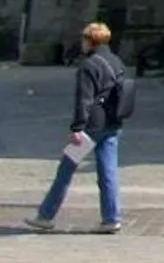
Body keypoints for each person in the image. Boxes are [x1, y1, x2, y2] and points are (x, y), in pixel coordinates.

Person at [28, 21, 130, 233]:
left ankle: (46, 215)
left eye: (84, 40)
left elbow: (84, 99)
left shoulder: (89, 65)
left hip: (91, 126)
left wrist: (77, 127)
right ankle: (112, 217)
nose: (82, 44)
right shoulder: (117, 61)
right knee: (108, 171)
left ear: (90, 41)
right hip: (112, 121)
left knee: (65, 169)